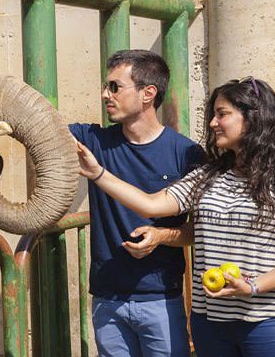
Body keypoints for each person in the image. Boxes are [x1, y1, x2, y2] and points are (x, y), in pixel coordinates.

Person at [76, 77, 275, 357]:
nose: (213, 123)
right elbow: (151, 205)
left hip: (269, 322)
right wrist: (98, 174)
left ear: (254, 118)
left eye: (223, 114)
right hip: (210, 323)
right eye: (213, 115)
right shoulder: (207, 177)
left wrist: (252, 286)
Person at [69, 49, 203, 357]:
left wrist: (162, 236)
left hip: (161, 300)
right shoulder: (95, 141)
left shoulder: (186, 154)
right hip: (107, 300)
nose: (106, 94)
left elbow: (196, 231)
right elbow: (34, 119)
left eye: (115, 86)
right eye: (106, 86)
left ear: (148, 93)